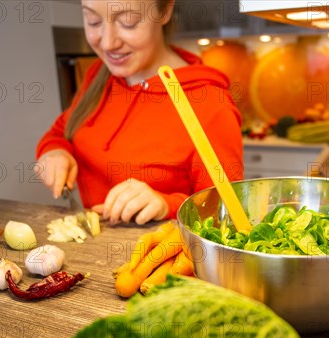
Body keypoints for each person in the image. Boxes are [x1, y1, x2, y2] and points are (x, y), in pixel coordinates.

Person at [35, 0, 243, 225]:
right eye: (93, 21)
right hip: (93, 252)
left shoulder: (210, 104)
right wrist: (54, 152)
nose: (107, 42)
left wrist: (166, 205)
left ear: (164, 10)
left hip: (163, 257)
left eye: (128, 22)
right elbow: (60, 132)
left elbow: (227, 216)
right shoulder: (99, 75)